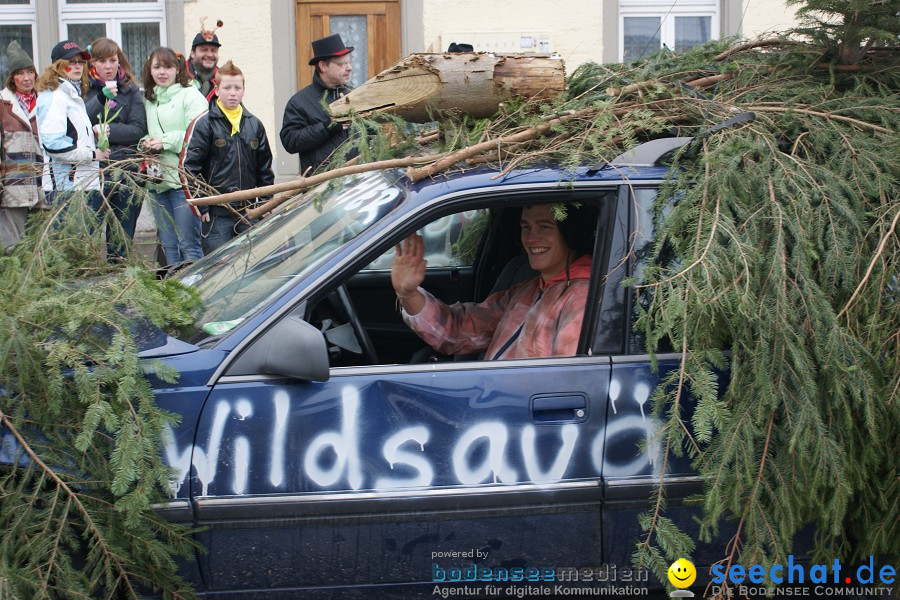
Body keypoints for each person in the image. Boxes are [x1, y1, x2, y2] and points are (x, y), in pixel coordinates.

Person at [392, 204, 593, 360]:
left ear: (571, 234)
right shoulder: (527, 290)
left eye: (544, 227)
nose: (531, 238)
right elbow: (460, 330)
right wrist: (409, 294)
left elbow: (567, 383)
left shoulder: (582, 298)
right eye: (526, 227)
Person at [182, 60, 274, 253]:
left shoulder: (254, 124)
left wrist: (266, 204)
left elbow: (264, 168)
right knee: (220, 267)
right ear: (216, 90)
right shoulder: (205, 124)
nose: (232, 93)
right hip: (217, 214)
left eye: (237, 88)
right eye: (227, 87)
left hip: (248, 212)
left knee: (251, 260)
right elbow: (190, 167)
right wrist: (202, 205)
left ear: (243, 90)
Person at [140, 47, 208, 266]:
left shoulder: (190, 95)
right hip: (157, 183)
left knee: (188, 244)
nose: (162, 72)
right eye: (157, 67)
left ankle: (196, 293)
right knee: (169, 246)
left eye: (168, 67)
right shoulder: (151, 99)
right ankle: (174, 297)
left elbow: (199, 135)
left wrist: (165, 141)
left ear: (177, 69)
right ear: (149, 70)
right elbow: (152, 132)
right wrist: (146, 142)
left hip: (183, 183)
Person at [84, 37, 147, 259]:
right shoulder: (85, 89)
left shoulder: (130, 90)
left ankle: (119, 278)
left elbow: (139, 129)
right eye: (102, 61)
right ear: (92, 63)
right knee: (88, 234)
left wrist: (107, 130)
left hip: (126, 171)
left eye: (113, 60)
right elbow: (82, 122)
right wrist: (100, 100)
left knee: (121, 239)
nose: (108, 66)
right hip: (93, 174)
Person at [35, 40, 109, 208]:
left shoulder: (71, 94)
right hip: (66, 188)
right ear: (58, 66)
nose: (78, 66)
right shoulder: (54, 96)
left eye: (80, 62)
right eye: (71, 62)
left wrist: (95, 135)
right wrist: (92, 154)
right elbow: (53, 145)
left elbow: (73, 136)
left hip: (83, 184)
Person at [280, 33, 355, 175]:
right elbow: (290, 141)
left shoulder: (355, 96)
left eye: (349, 62)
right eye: (342, 64)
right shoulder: (299, 102)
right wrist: (329, 126)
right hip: (321, 190)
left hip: (358, 186)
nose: (349, 68)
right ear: (323, 66)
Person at [0, 40, 46, 249]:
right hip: (13, 186)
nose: (26, 78)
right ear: (12, 78)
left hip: (42, 183)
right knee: (12, 246)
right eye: (20, 73)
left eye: (30, 72)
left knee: (39, 246)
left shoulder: (45, 102)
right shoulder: (3, 104)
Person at [186, 22, 221, 106]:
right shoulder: (179, 77)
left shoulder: (224, 80)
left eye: (213, 50)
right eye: (204, 49)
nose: (209, 55)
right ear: (193, 53)